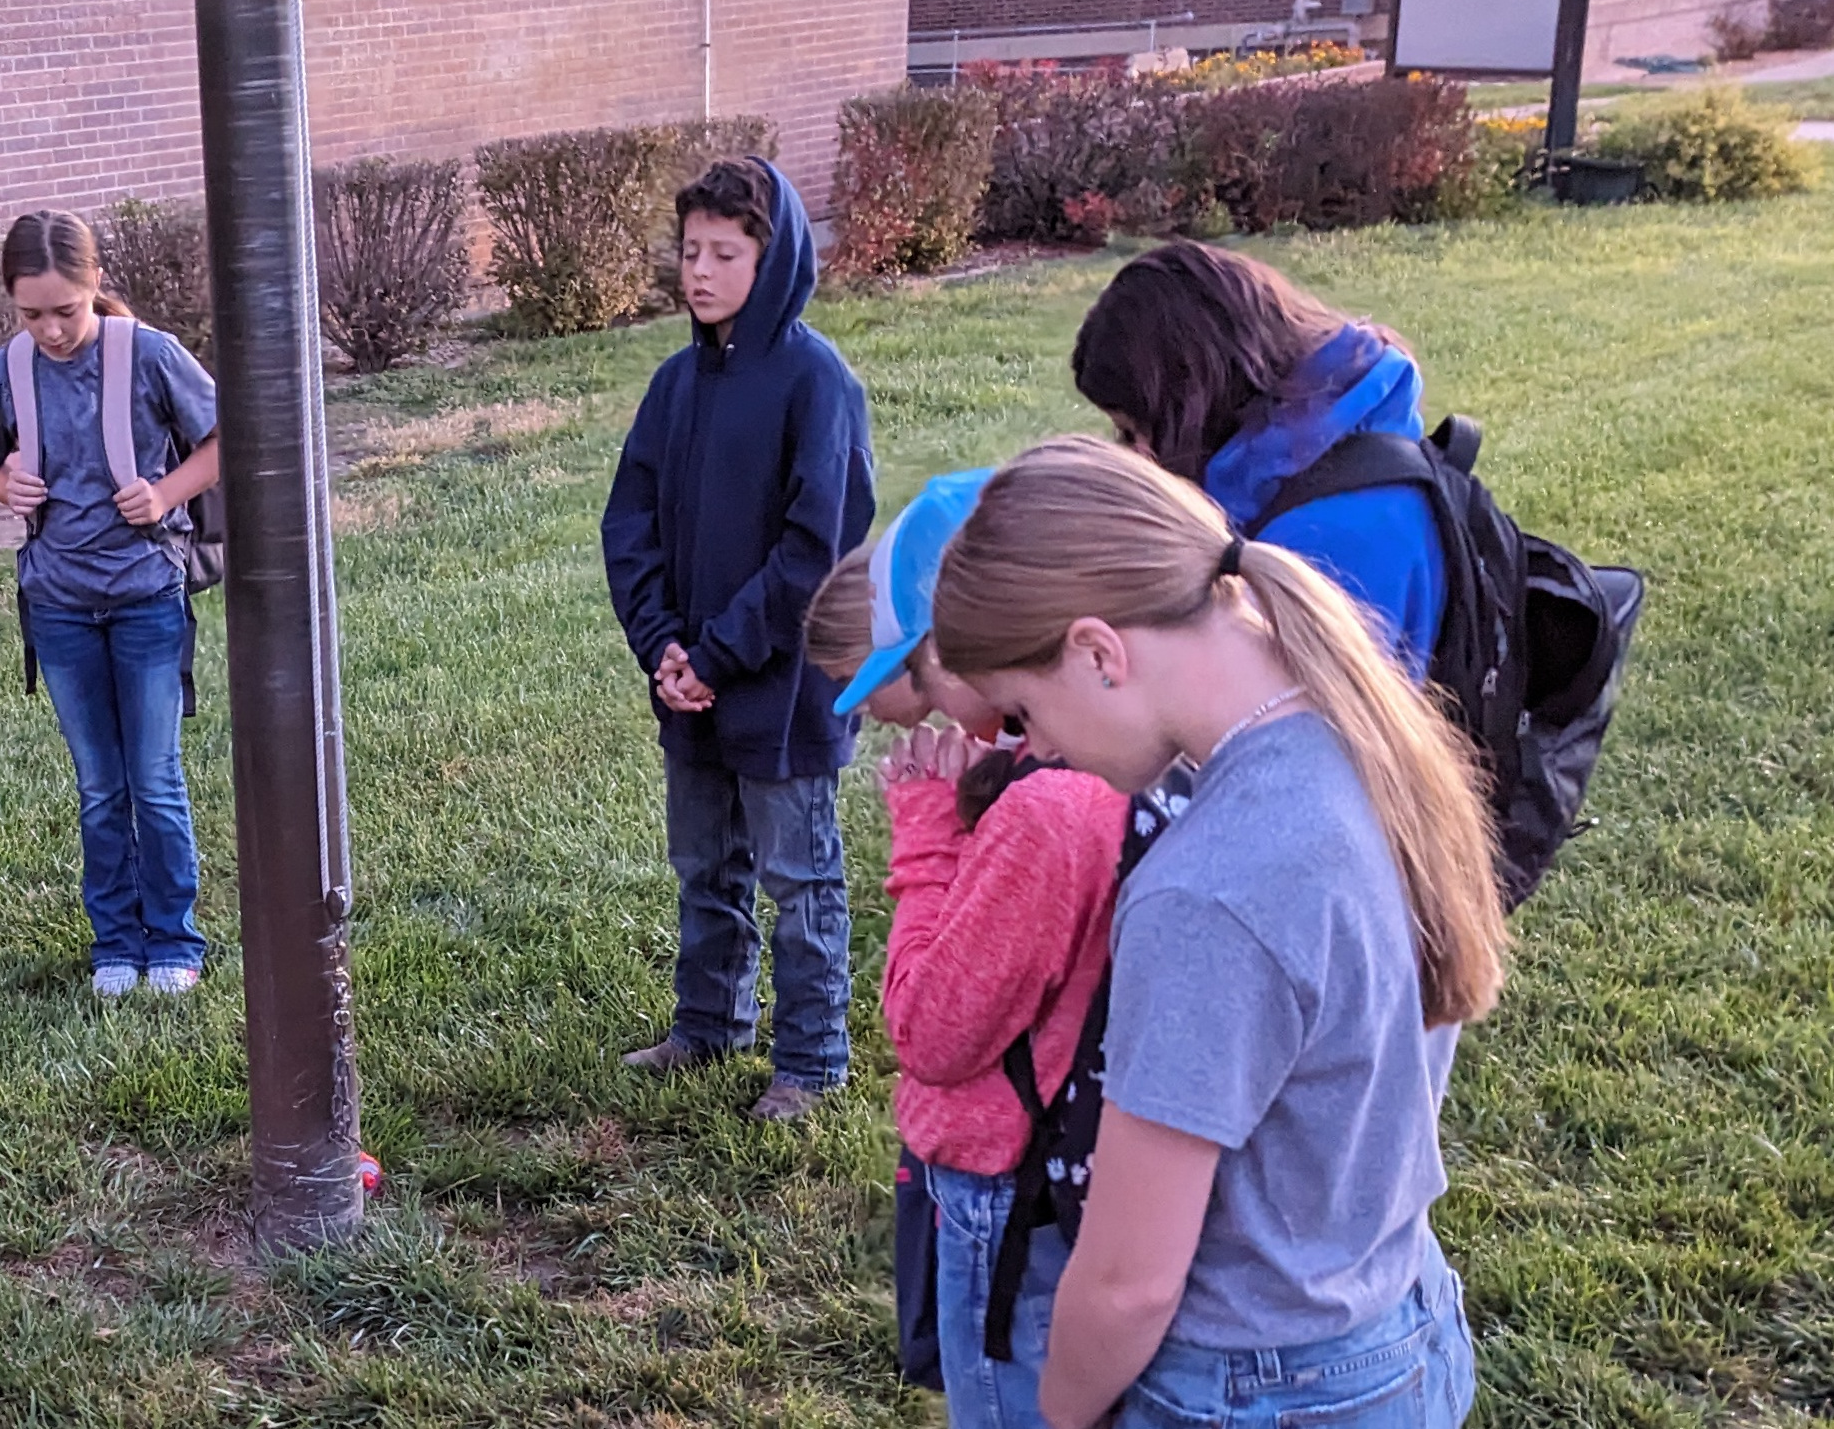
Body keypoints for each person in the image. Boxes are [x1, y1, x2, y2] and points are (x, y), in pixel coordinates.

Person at [929, 436, 1502, 1429]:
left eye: (1024, 710)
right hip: (1397, 1319)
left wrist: (1060, 1411)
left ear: (1098, 653)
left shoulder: (1209, 887)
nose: (1038, 748)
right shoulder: (1370, 733)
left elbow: (1128, 1283)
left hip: (1256, 1388)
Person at [804, 472, 1123, 1427]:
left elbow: (931, 1030)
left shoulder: (1048, 810)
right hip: (1054, 1176)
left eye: (931, 673)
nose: (937, 710)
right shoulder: (1082, 769)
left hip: (1005, 1189)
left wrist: (927, 837)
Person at [600, 157, 879, 1122]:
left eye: (725, 253)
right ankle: (709, 1022)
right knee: (704, 863)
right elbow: (628, 523)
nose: (701, 272)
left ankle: (810, 1059)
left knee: (798, 876)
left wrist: (717, 654)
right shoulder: (675, 385)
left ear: (774, 258)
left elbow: (815, 548)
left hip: (782, 686)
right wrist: (663, 647)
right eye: (690, 252)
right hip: (689, 681)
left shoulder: (816, 383)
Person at [0, 209, 223, 1001]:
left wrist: (165, 493)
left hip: (146, 596)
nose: (50, 330)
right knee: (99, 787)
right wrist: (3, 486)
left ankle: (173, 939)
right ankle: (114, 943)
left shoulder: (149, 355)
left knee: (154, 778)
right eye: (30, 314)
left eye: (65, 311)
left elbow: (224, 438)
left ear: (95, 283)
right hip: (59, 605)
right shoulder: (4, 372)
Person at [1071, 242, 1442, 671]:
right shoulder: (1303, 460)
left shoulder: (1325, 537)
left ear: (1191, 406)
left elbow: (1283, 708)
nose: (1137, 456)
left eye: (1137, 431)